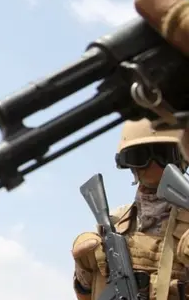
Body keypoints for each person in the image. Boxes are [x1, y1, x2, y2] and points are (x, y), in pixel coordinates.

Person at [71, 119, 189, 300]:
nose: (153, 164)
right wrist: (84, 274)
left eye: (163, 154)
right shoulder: (115, 224)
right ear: (128, 163)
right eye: (141, 156)